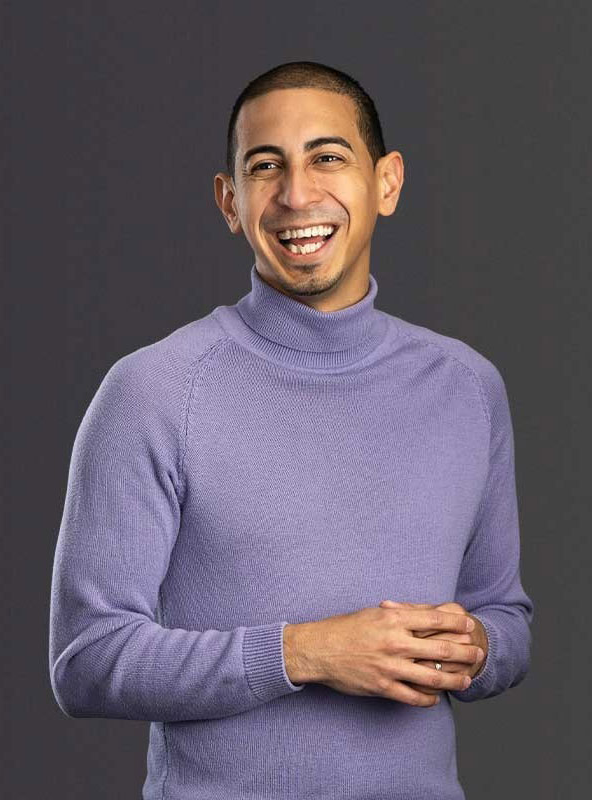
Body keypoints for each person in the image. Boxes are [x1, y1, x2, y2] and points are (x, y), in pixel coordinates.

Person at [49, 60, 533, 800]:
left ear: (387, 182)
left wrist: (479, 649)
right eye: (265, 166)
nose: (297, 194)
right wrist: (306, 653)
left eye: (328, 158)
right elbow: (86, 661)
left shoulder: (467, 386)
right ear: (230, 201)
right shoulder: (155, 390)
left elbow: (504, 616)